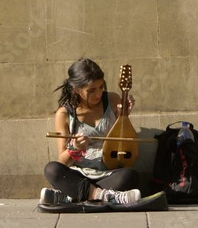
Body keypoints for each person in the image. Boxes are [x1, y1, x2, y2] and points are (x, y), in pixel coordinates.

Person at [40, 58, 141, 205]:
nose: (98, 94)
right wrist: (75, 148)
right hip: (79, 174)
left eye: (101, 87)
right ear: (76, 89)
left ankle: (71, 196)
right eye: (91, 90)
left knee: (130, 175)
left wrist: (123, 116)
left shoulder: (112, 99)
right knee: (52, 170)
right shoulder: (64, 114)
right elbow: (62, 161)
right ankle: (105, 196)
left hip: (108, 173)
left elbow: (122, 141)